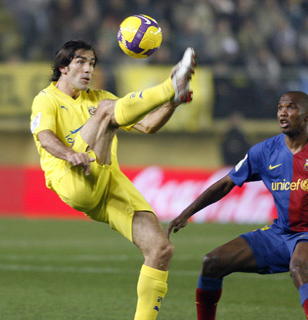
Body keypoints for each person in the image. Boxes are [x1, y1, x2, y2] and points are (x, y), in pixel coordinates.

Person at [167, 91, 308, 320]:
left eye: (291, 107)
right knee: (212, 262)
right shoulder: (264, 151)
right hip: (279, 233)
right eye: (280, 107)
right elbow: (226, 183)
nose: (283, 112)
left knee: (299, 267)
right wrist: (187, 213)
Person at [30, 40, 196, 320]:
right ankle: (170, 85)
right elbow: (45, 137)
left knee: (161, 249)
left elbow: (147, 125)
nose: (88, 69)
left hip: (107, 181)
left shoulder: (99, 97)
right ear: (63, 67)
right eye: (81, 62)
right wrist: (70, 154)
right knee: (109, 110)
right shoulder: (46, 99)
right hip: (72, 177)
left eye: (92, 63)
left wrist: (172, 103)